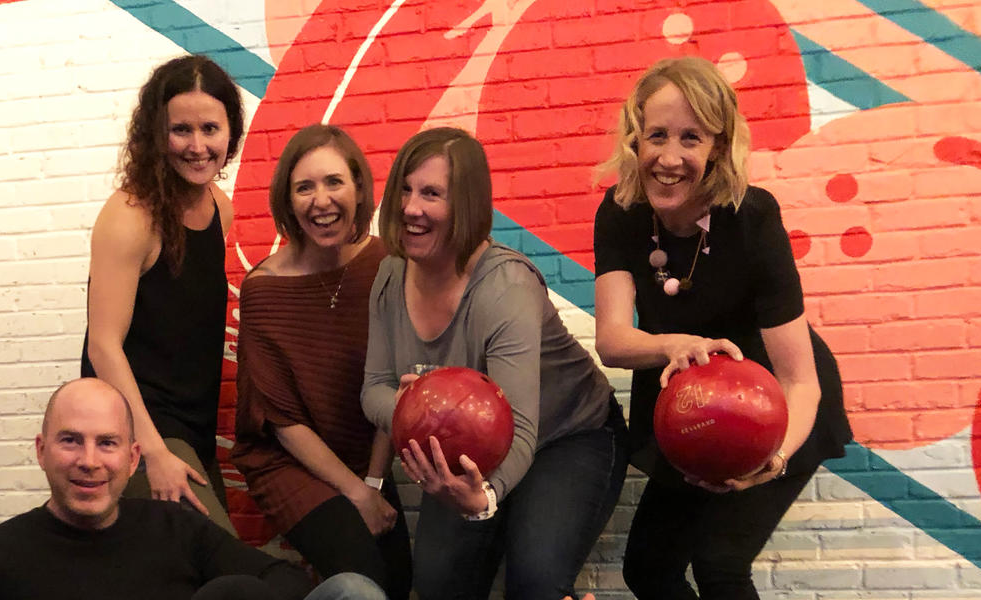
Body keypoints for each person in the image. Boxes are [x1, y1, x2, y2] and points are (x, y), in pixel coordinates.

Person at [591, 56, 853, 600]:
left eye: (691, 138)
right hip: (687, 399)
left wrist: (772, 460)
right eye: (656, 134)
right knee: (649, 568)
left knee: (719, 563)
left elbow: (801, 381)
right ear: (634, 138)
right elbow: (614, 341)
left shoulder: (752, 218)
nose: (669, 157)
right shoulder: (621, 213)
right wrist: (676, 345)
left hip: (771, 400)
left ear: (717, 147)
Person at [361, 127, 629, 600]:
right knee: (439, 585)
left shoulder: (505, 288)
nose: (410, 208)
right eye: (404, 188)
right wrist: (410, 408)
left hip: (564, 436)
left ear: (465, 206)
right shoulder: (389, 273)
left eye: (430, 194)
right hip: (469, 448)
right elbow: (375, 389)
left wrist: (484, 500)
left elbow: (521, 428)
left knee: (535, 583)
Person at [0, 378, 386, 600]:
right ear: (41, 450)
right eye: (70, 440)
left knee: (353, 591)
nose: (89, 461)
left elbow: (283, 581)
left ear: (131, 457)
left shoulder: (177, 528)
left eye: (107, 443)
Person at [232, 124, 411, 600]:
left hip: (363, 453)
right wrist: (358, 495)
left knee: (400, 580)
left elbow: (393, 385)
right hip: (288, 459)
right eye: (304, 187)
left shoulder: (388, 264)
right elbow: (280, 419)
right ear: (288, 202)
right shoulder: (264, 290)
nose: (321, 199)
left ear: (358, 188)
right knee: (364, 576)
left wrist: (372, 481)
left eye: (333, 182)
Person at [80, 54, 241, 533]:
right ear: (156, 134)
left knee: (215, 567)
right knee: (219, 564)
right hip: (138, 428)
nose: (197, 146)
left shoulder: (220, 209)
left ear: (230, 132)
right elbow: (102, 346)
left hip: (191, 428)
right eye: (181, 130)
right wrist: (150, 451)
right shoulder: (130, 216)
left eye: (210, 129)